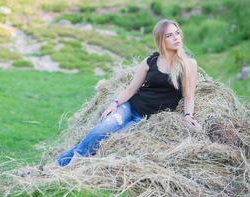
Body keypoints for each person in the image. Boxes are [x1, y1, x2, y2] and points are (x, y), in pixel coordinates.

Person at [56, 19, 202, 167]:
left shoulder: (189, 64)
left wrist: (188, 116)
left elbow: (189, 96)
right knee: (101, 129)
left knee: (108, 140)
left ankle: (59, 165)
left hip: (146, 119)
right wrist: (115, 103)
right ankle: (70, 162)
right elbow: (131, 89)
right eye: (169, 35)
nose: (176, 37)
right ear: (161, 40)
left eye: (177, 33)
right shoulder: (150, 61)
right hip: (130, 107)